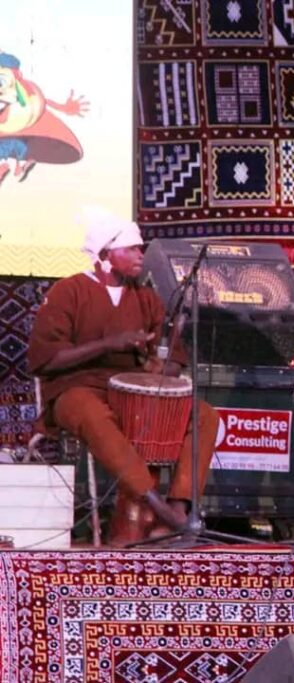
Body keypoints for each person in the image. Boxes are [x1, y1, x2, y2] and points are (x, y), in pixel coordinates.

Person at [27, 207, 219, 546]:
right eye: (131, 248)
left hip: (132, 394)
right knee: (93, 414)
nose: (139, 255)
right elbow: (48, 357)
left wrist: (163, 370)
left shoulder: (145, 297)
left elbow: (172, 356)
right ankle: (157, 506)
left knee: (203, 415)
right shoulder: (68, 291)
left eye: (139, 248)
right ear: (105, 254)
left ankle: (175, 510)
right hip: (76, 390)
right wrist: (108, 344)